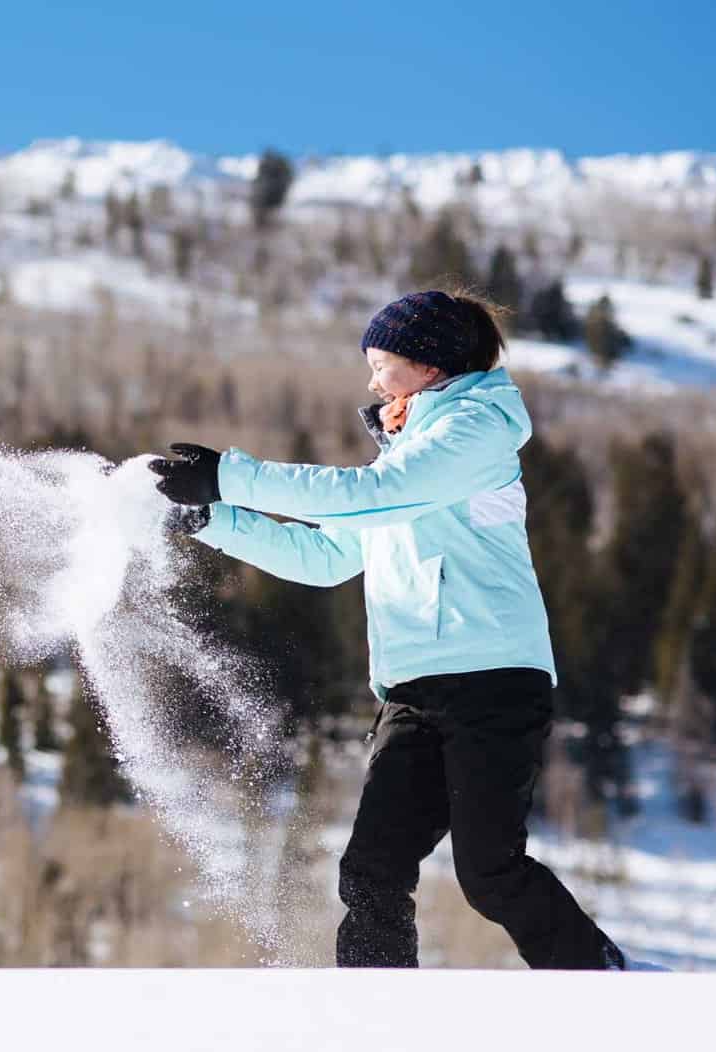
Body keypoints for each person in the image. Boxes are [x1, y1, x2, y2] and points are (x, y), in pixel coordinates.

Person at [148, 290, 631, 970]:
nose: (373, 381)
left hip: (492, 681)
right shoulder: (408, 460)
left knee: (489, 872)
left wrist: (230, 477)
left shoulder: (475, 432)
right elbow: (324, 559)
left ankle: (611, 987)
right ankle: (380, 1019)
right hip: (413, 690)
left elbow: (369, 498)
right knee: (371, 873)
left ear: (431, 365)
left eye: (383, 364)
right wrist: (214, 521)